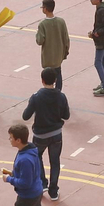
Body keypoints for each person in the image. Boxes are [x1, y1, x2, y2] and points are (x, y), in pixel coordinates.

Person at [23, 67, 69, 199]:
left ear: (42, 80)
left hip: (40, 135)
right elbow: (66, 115)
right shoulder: (61, 96)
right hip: (56, 134)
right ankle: (53, 190)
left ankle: (42, 183)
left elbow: (26, 116)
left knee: (37, 157)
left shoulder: (36, 97)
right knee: (55, 161)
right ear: (55, 80)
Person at [35, 0, 70, 90]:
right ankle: (58, 92)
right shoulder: (61, 21)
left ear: (45, 9)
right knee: (58, 75)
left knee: (48, 77)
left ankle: (49, 92)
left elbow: (40, 41)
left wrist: (37, 34)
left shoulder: (42, 24)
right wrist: (65, 51)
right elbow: (66, 38)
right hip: (58, 55)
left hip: (48, 57)